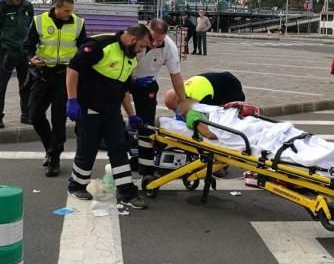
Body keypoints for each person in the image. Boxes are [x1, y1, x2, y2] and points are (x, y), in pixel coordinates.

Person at [65, 25, 151, 212]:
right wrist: (72, 99)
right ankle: (76, 186)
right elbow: (73, 69)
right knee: (88, 149)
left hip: (112, 112)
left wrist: (132, 115)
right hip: (89, 109)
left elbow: (124, 90)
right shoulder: (101, 45)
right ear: (133, 39)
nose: (141, 51)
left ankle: (126, 192)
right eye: (142, 46)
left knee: (119, 148)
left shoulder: (130, 60)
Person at [22, 0, 86, 177]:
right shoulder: (39, 21)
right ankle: (50, 148)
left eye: (71, 11)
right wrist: (30, 59)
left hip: (65, 75)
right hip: (43, 73)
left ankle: (54, 159)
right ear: (56, 7)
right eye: (66, 11)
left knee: (58, 119)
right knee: (34, 115)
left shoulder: (78, 23)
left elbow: (84, 49)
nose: (69, 14)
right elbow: (27, 46)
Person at [131, 18, 187, 174]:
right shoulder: (134, 38)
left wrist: (183, 102)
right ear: (146, 30)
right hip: (124, 79)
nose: (155, 43)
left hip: (147, 83)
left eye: (159, 40)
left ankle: (145, 166)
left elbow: (176, 76)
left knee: (146, 126)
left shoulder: (169, 47)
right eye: (152, 38)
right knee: (113, 120)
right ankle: (126, 152)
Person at [0, 0, 35, 129]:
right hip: (6, 53)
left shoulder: (28, 7)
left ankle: (26, 115)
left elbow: (29, 28)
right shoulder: (1, 7)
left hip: (23, 54)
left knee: (26, 85)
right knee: (1, 86)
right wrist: (1, 50)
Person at [162, 71, 245, 110]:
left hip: (230, 85)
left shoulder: (198, 97)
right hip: (215, 84)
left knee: (235, 112)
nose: (176, 111)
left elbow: (207, 114)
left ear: (179, 100)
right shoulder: (181, 89)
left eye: (175, 109)